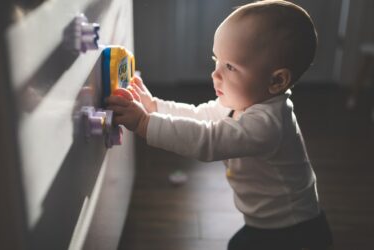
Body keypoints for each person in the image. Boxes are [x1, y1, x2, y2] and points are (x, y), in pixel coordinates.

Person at [107, 0, 333, 249]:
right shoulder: (243, 100)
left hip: (293, 232)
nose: (215, 74)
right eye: (217, 60)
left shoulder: (268, 125)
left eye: (230, 66)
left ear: (277, 80)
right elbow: (201, 116)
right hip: (266, 223)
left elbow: (208, 140)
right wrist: (154, 106)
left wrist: (144, 123)